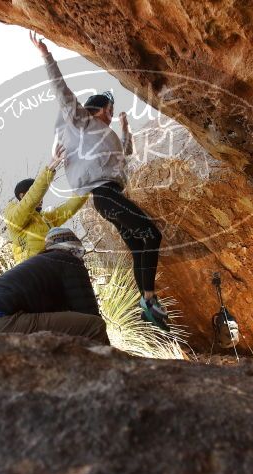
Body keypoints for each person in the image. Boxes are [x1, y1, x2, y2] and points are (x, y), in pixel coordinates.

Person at [30, 31, 169, 330]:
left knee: (138, 244)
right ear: (98, 109)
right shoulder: (83, 123)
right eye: (109, 107)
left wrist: (125, 128)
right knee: (151, 235)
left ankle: (147, 303)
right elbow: (63, 94)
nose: (111, 110)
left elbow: (127, 154)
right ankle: (149, 299)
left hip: (111, 196)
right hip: (104, 196)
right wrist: (47, 57)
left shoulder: (108, 135)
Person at [0, 227, 109, 344]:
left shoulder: (39, 265)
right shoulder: (68, 261)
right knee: (94, 326)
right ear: (74, 250)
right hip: (1, 322)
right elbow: (88, 311)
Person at [4, 144, 89, 264]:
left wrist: (85, 187)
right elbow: (31, 199)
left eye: (42, 196)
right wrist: (50, 169)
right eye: (39, 196)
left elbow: (69, 207)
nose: (41, 199)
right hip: (31, 272)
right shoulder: (13, 216)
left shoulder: (47, 219)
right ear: (22, 196)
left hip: (52, 267)